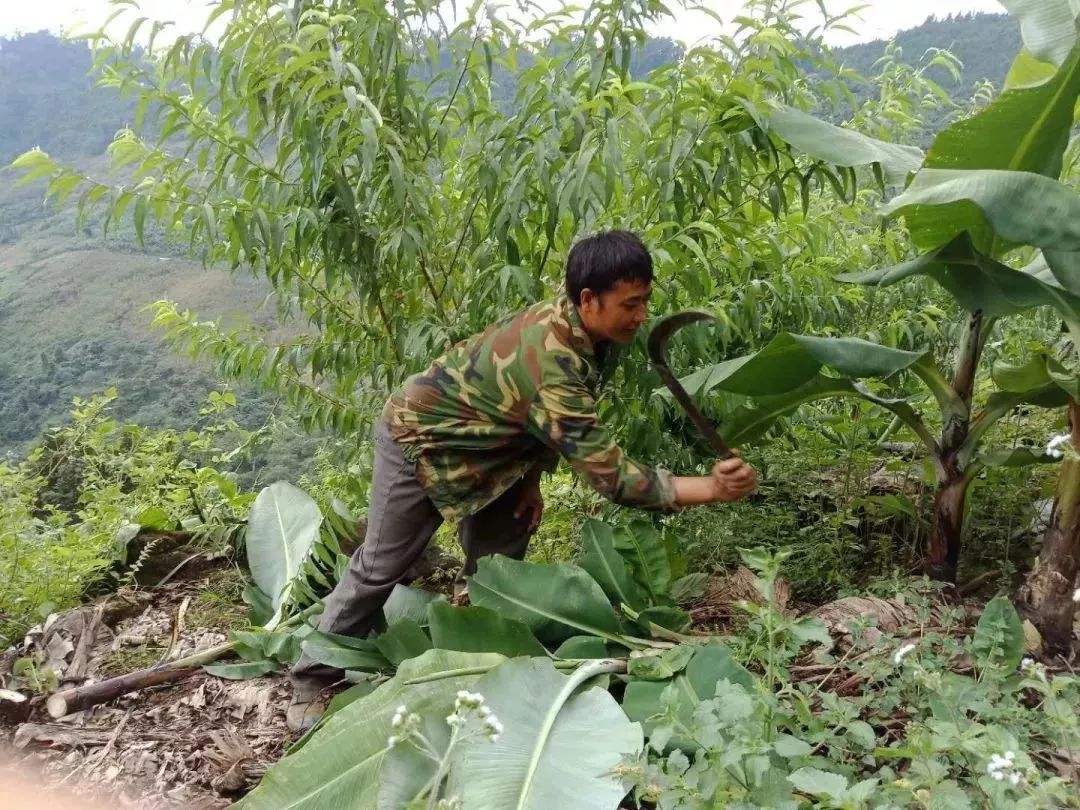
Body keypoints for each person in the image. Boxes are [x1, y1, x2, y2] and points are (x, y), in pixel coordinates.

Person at [287, 230, 757, 731]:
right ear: (588, 300)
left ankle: (476, 664)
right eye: (630, 304)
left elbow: (546, 420)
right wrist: (710, 488)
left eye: (645, 301)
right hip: (421, 439)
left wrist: (530, 481)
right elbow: (610, 476)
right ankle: (311, 677)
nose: (642, 315)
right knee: (382, 565)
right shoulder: (553, 358)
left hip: (496, 451)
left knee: (498, 568)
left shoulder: (593, 334)